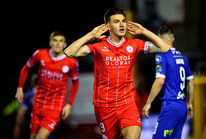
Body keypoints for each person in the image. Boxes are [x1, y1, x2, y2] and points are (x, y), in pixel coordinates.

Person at [64, 8, 170, 139]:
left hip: (127, 104)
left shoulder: (134, 44)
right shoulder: (98, 46)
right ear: (108, 26)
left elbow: (164, 48)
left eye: (123, 21)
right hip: (104, 107)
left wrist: (144, 31)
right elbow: (69, 52)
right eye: (116, 21)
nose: (121, 24)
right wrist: (91, 34)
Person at [15, 31, 80, 139]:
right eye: (55, 40)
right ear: (50, 43)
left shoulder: (71, 62)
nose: (58, 43)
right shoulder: (40, 54)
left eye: (61, 41)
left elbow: (75, 83)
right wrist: (20, 88)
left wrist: (69, 105)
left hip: (55, 107)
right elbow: (25, 68)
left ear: (65, 44)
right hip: (38, 104)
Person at [142, 25, 195, 139]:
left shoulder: (162, 56)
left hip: (170, 106)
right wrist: (189, 103)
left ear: (158, 39)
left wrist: (148, 103)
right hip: (182, 107)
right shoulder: (183, 57)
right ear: (173, 39)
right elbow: (191, 81)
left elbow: (160, 81)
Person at [13, 73, 38, 138]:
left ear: (32, 83)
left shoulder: (28, 96)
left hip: (31, 128)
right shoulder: (49, 95)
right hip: (47, 128)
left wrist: (17, 126)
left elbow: (21, 113)